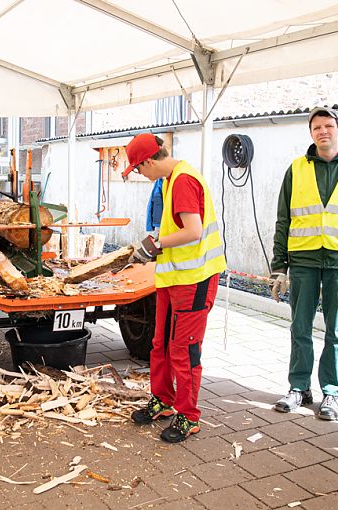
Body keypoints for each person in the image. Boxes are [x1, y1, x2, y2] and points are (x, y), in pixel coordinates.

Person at [270, 107, 338, 420]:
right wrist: (280, 267)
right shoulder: (297, 168)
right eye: (317, 127)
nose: (323, 132)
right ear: (311, 133)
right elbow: (283, 219)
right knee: (300, 327)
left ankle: (331, 392)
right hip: (303, 259)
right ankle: (299, 388)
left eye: (328, 126)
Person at [124, 133, 227, 443]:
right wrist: (157, 241)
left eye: (139, 170)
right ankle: (163, 400)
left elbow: (193, 231)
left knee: (185, 350)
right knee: (161, 345)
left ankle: (188, 415)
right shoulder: (169, 179)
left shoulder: (182, 180)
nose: (141, 175)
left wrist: (155, 244)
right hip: (174, 278)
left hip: (194, 279)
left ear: (149, 161)